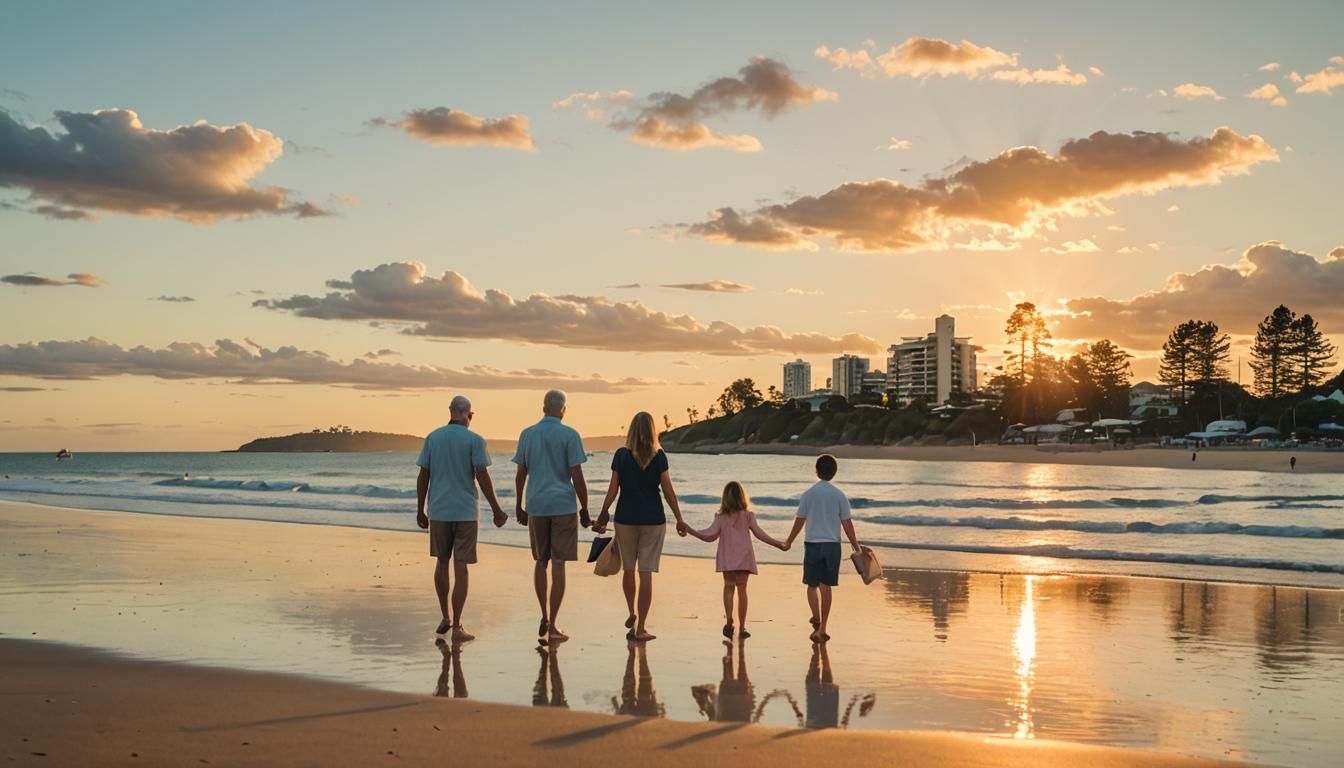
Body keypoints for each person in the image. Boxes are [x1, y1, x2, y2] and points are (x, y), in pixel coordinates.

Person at [416, 395, 506, 641]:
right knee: (461, 567)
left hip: (439, 510)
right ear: (470, 415)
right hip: (465, 512)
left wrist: (420, 509)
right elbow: (482, 476)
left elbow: (423, 475)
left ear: (450, 412)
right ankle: (457, 626)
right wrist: (497, 509)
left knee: (442, 563)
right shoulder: (474, 440)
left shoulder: (433, 438)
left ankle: (445, 616)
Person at [593, 411, 687, 642]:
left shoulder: (621, 455)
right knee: (646, 574)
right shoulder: (659, 456)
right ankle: (641, 627)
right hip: (653, 520)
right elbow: (668, 490)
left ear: (632, 430)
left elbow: (613, 489)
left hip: (625, 518)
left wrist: (604, 514)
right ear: (653, 430)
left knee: (628, 569)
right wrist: (679, 518)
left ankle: (631, 612)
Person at [513, 389, 589, 643]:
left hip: (536, 504)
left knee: (540, 561)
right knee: (558, 563)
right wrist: (585, 507)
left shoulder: (527, 434)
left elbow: (521, 473)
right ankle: (553, 623)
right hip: (563, 505)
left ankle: (543, 614)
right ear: (563, 409)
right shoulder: (569, 434)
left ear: (544, 407)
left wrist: (518, 504)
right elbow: (576, 474)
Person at [680, 481, 787, 640]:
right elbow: (759, 534)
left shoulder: (721, 517)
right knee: (742, 591)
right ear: (742, 497)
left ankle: (729, 620)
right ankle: (742, 628)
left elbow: (710, 535)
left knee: (729, 587)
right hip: (744, 556)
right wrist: (778, 544)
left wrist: (691, 531)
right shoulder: (748, 515)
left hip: (727, 557)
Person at [783, 454, 861, 644]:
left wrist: (789, 541)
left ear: (816, 471)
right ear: (835, 472)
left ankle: (816, 618)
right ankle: (823, 628)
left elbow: (799, 521)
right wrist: (855, 545)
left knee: (812, 585)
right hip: (832, 546)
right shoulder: (839, 495)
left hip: (812, 544)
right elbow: (847, 523)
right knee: (826, 587)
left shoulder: (809, 494)